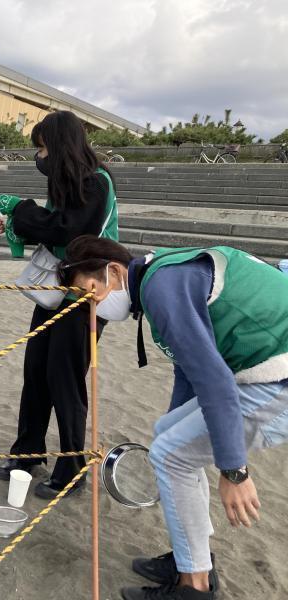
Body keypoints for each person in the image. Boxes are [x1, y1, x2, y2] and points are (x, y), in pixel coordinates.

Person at [59, 235, 288, 600]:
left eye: (90, 294)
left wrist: (234, 471)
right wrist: (176, 425)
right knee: (167, 435)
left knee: (170, 454)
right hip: (263, 366)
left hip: (278, 377)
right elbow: (190, 367)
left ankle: (195, 586)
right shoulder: (159, 272)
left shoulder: (162, 288)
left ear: (113, 271)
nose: (92, 307)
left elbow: (214, 381)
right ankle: (192, 558)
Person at [0, 110, 119, 500]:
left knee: (65, 381)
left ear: (60, 146)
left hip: (85, 296)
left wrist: (21, 210)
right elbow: (53, 228)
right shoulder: (68, 183)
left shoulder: (96, 183)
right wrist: (18, 220)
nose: (40, 156)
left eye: (43, 147)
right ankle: (28, 453)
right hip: (54, 291)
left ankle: (71, 468)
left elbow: (67, 230)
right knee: (36, 371)